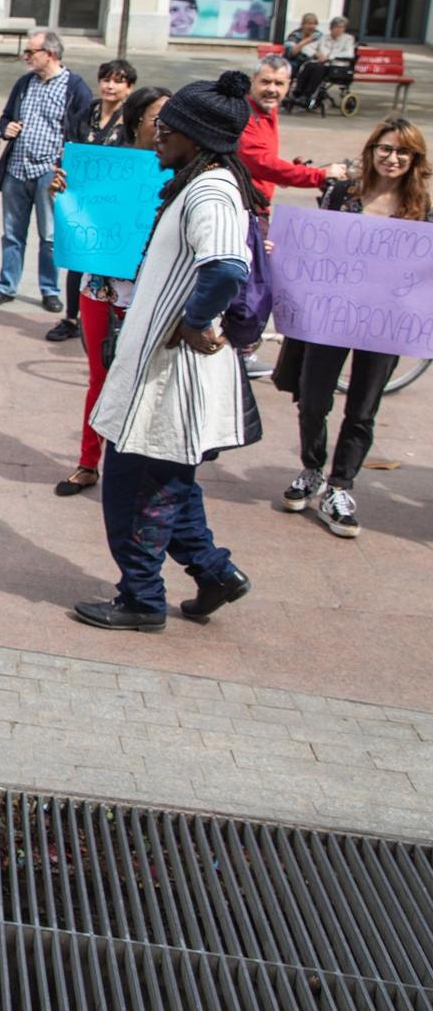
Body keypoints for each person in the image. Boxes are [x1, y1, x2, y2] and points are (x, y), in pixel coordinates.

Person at [78, 72, 265, 632]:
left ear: (198, 136)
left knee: (136, 492)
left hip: (171, 379)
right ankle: (213, 572)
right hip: (159, 373)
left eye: (171, 126)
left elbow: (227, 267)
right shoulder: (197, 182)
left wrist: (193, 321)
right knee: (168, 484)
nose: (159, 132)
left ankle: (141, 600)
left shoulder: (210, 191)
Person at [274, 119, 430, 538]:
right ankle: (312, 467)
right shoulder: (342, 194)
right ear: (371, 150)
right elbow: (316, 245)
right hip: (331, 316)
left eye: (403, 152)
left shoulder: (423, 207)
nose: (392, 158)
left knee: (363, 407)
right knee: (312, 398)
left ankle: (340, 486)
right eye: (385, 149)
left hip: (385, 322)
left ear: (415, 159)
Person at [53, 85, 169, 498]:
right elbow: (80, 215)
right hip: (102, 290)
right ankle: (89, 462)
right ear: (137, 119)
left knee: (145, 380)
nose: (165, 125)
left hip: (151, 294)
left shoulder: (179, 168)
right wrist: (64, 194)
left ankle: (137, 466)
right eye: (158, 116)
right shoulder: (103, 162)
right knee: (100, 378)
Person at [0, 30, 93, 313]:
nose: (26, 57)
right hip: (17, 169)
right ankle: (6, 285)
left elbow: (84, 131)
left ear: (51, 54)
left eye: (31, 52)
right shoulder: (25, 83)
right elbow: (6, 116)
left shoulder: (75, 87)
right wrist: (7, 128)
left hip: (49, 171)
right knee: (12, 233)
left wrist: (67, 167)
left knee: (49, 236)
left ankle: (49, 289)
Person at [46, 58, 137, 343]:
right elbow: (70, 149)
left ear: (130, 87)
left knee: (109, 261)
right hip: (82, 199)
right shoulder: (88, 112)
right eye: (106, 79)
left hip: (115, 204)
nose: (110, 85)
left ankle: (113, 316)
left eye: (118, 80)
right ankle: (72, 317)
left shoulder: (131, 120)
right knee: (77, 257)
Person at [237, 55, 346, 204]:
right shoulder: (242, 114)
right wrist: (319, 175)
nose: (271, 89)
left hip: (258, 202)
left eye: (279, 83)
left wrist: (288, 172)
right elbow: (261, 162)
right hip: (244, 205)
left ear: (288, 85)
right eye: (265, 82)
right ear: (252, 81)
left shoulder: (268, 108)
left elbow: (267, 162)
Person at [289, 17, 358, 112]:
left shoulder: (348, 39)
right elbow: (306, 48)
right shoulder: (324, 38)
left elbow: (349, 53)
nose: (338, 30)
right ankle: (298, 93)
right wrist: (316, 54)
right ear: (331, 28)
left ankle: (307, 95)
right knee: (309, 66)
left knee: (318, 68)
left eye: (341, 27)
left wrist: (330, 57)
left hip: (337, 66)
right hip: (321, 62)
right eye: (336, 27)